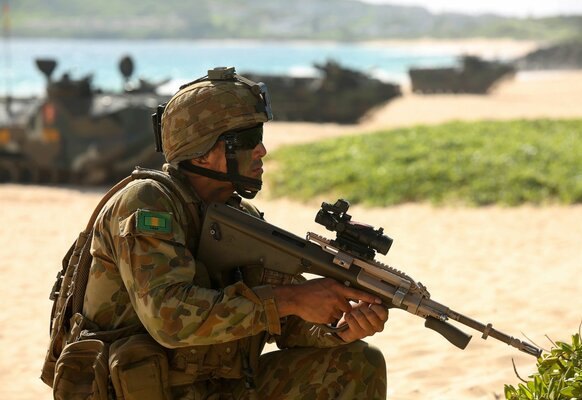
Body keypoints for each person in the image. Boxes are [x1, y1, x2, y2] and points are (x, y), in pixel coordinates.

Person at [80, 66, 388, 399]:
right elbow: (168, 318)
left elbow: (288, 318)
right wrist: (293, 299)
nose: (261, 151)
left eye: (260, 138)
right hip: (147, 392)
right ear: (203, 151)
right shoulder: (148, 203)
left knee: (357, 362)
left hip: (222, 389)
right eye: (247, 140)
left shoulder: (239, 217)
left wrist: (337, 329)